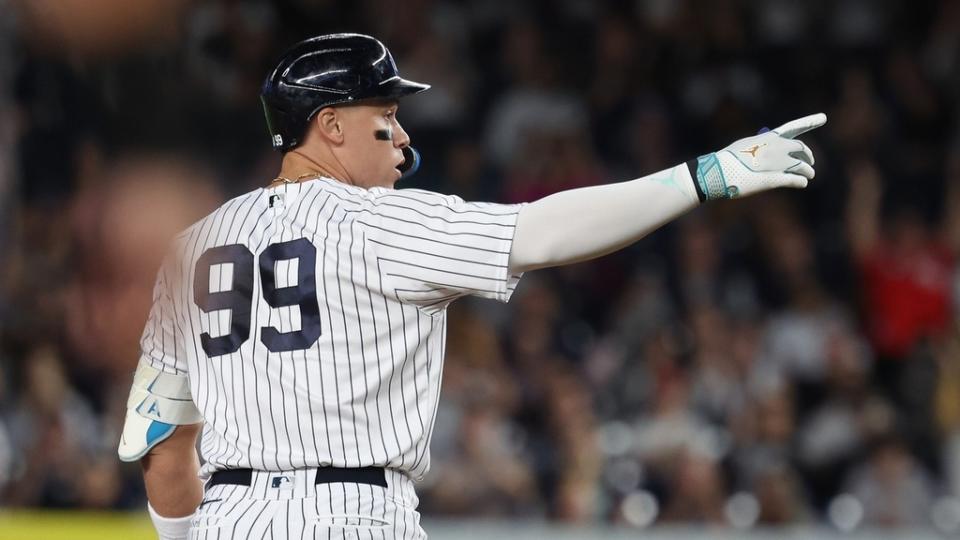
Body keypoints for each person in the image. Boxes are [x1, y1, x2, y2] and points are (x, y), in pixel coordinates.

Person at [116, 33, 825, 539]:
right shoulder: (378, 222)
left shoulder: (189, 246)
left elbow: (161, 445)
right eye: (384, 118)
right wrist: (701, 177)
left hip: (225, 519)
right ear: (328, 125)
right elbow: (545, 231)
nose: (402, 139)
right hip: (351, 517)